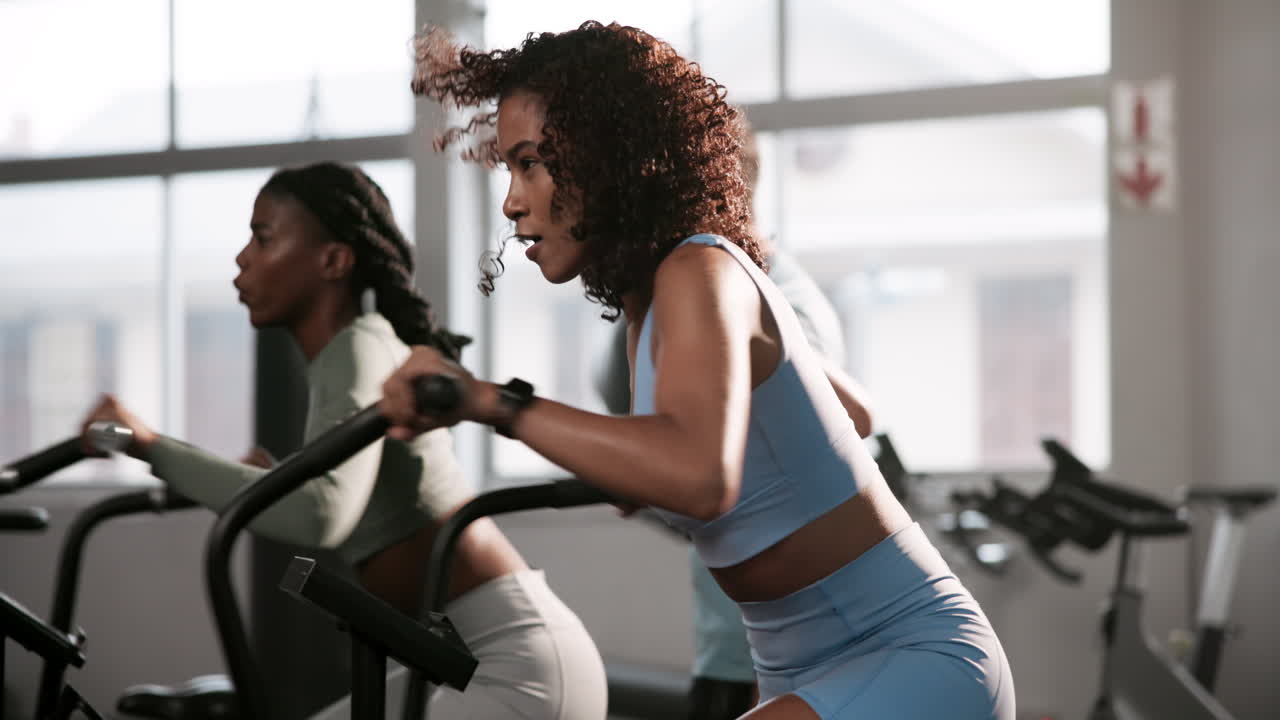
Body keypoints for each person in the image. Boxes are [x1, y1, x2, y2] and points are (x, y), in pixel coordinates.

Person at [385, 21, 1014, 720]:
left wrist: (491, 402)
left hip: (907, 655)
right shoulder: (648, 310)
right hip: (796, 667)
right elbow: (845, 415)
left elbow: (700, 476)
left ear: (608, 157)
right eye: (508, 167)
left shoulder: (698, 268)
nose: (511, 200)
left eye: (530, 163)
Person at [78, 162, 607, 720]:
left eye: (263, 237)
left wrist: (147, 446)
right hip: (460, 659)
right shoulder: (350, 354)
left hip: (514, 665)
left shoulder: (359, 343)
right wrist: (270, 477)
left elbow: (322, 513)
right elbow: (332, 491)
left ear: (333, 260)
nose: (242, 258)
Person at [591, 121, 866, 720]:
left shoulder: (772, 293)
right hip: (734, 637)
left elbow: (845, 421)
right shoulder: (671, 293)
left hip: (794, 642)